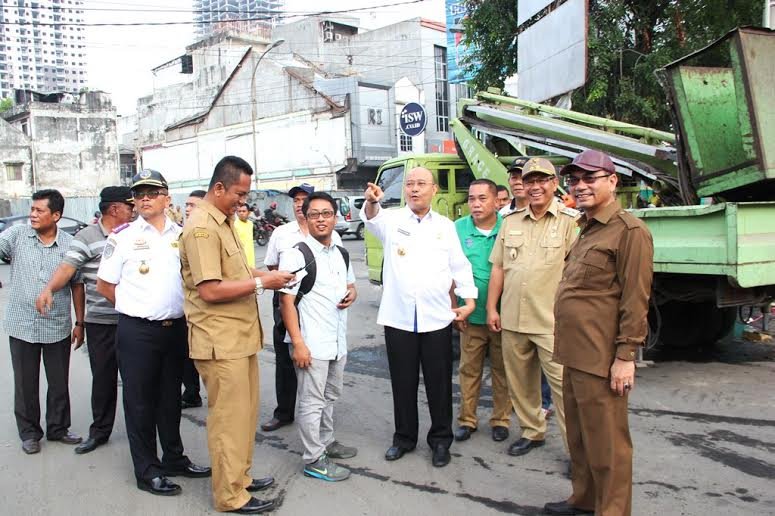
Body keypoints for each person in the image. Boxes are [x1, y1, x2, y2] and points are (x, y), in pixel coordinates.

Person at [179, 156, 293, 514]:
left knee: (244, 416)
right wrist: (264, 282)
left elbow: (236, 273)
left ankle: (239, 477)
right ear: (218, 188)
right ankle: (230, 495)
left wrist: (270, 274)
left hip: (239, 338)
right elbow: (211, 290)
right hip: (219, 342)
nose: (243, 202)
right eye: (239, 194)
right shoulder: (202, 228)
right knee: (228, 420)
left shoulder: (224, 222)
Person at [544, 150, 653, 516]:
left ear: (612, 181)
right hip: (574, 354)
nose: (581, 185)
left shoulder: (630, 232)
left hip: (601, 359)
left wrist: (625, 358)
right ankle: (585, 501)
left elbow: (635, 301)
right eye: (575, 179)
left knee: (609, 447)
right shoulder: (587, 227)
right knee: (580, 440)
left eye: (590, 178)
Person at [96, 170, 210, 496]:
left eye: (152, 192)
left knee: (170, 400)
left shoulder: (183, 234)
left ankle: (174, 458)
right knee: (140, 403)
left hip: (174, 329)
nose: (145, 198)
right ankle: (147, 470)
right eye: (140, 193)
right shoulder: (123, 236)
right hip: (138, 331)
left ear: (166, 197)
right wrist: (134, 306)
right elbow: (105, 285)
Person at [361, 167, 477, 468]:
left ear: (434, 190)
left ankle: (440, 441)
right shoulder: (393, 220)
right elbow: (371, 218)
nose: (414, 189)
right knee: (403, 382)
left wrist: (469, 299)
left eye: (421, 184)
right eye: (410, 184)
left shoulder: (445, 227)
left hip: (436, 318)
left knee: (439, 384)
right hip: (399, 318)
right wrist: (373, 201)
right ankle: (404, 439)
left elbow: (459, 266)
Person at [487, 158, 578, 459]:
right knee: (521, 385)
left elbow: (577, 274)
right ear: (522, 186)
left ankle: (576, 451)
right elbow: (498, 267)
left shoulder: (570, 222)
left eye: (542, 181)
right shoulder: (510, 222)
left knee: (565, 391)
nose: (535, 187)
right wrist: (492, 308)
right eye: (530, 181)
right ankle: (531, 431)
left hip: (551, 321)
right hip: (513, 318)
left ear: (554, 184)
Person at [35, 186, 135, 455]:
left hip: (134, 321)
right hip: (101, 323)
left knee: (137, 382)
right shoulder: (86, 237)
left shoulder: (136, 233)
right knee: (103, 380)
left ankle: (142, 435)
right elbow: (67, 269)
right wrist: (48, 289)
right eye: (130, 206)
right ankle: (100, 432)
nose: (134, 210)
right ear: (115, 209)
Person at [279, 191, 358, 482]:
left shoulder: (341, 251)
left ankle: (326, 442)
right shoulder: (296, 253)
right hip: (311, 343)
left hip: (337, 340)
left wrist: (352, 292)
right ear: (306, 217)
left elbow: (351, 285)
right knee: (312, 401)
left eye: (327, 214)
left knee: (330, 395)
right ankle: (314, 458)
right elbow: (285, 301)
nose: (321, 219)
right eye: (315, 214)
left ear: (335, 217)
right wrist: (298, 343)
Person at [0, 189, 84, 455]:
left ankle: (58, 428)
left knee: (59, 381)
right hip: (21, 323)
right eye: (32, 209)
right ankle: (29, 433)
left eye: (39, 211)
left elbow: (77, 286)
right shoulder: (16, 236)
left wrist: (79, 323)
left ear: (56, 215)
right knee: (25, 383)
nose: (32, 215)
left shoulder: (71, 244)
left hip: (56, 324)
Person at [260, 183, 343, 433]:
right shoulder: (282, 233)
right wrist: (292, 287)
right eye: (296, 199)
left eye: (303, 198)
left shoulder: (333, 235)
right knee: (286, 359)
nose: (299, 203)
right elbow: (272, 267)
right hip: (287, 300)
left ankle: (319, 425)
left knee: (320, 366)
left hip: (320, 308)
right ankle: (284, 412)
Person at [452, 179, 511, 444]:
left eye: (482, 198)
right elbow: (449, 270)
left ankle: (501, 420)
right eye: (471, 198)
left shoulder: (509, 228)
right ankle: (467, 419)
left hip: (504, 316)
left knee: (502, 369)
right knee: (469, 369)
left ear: (497, 201)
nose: (475, 204)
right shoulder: (457, 229)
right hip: (471, 316)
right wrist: (455, 308)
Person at [181, 189, 207, 409]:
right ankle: (190, 392)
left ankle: (192, 392)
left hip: (198, 309)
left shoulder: (208, 232)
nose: (188, 209)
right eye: (187, 205)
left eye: (194, 205)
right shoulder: (177, 233)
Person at [234, 203, 255, 267]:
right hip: (240, 260)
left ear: (248, 213)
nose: (241, 213)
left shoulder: (250, 224)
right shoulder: (234, 225)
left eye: (244, 211)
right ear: (237, 213)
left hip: (250, 258)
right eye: (239, 211)